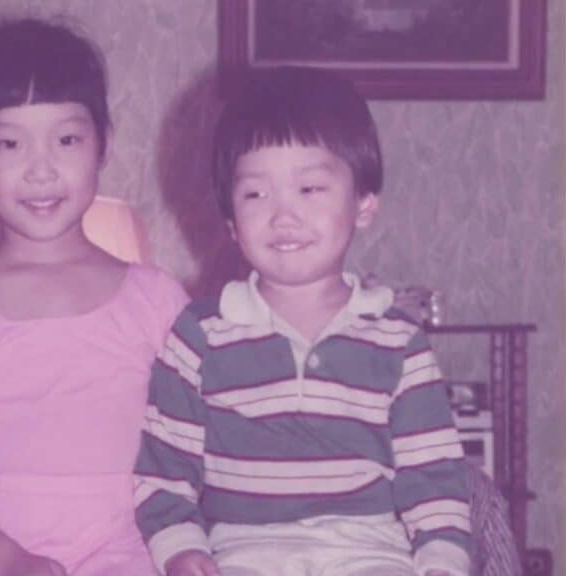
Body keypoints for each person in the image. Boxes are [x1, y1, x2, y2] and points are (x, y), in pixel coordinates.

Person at [134, 67, 470, 576]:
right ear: (230, 221)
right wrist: (181, 550)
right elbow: (164, 472)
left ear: (364, 205)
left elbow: (436, 480)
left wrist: (442, 563)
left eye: (310, 188)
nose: (283, 215)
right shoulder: (198, 337)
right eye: (256, 194)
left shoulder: (399, 342)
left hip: (370, 554)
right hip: (243, 555)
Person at [0, 19, 187, 576]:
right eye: (10, 143)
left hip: (133, 552)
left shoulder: (156, 300)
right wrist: (9, 560)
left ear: (103, 144)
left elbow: (199, 449)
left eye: (67, 140)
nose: (41, 169)